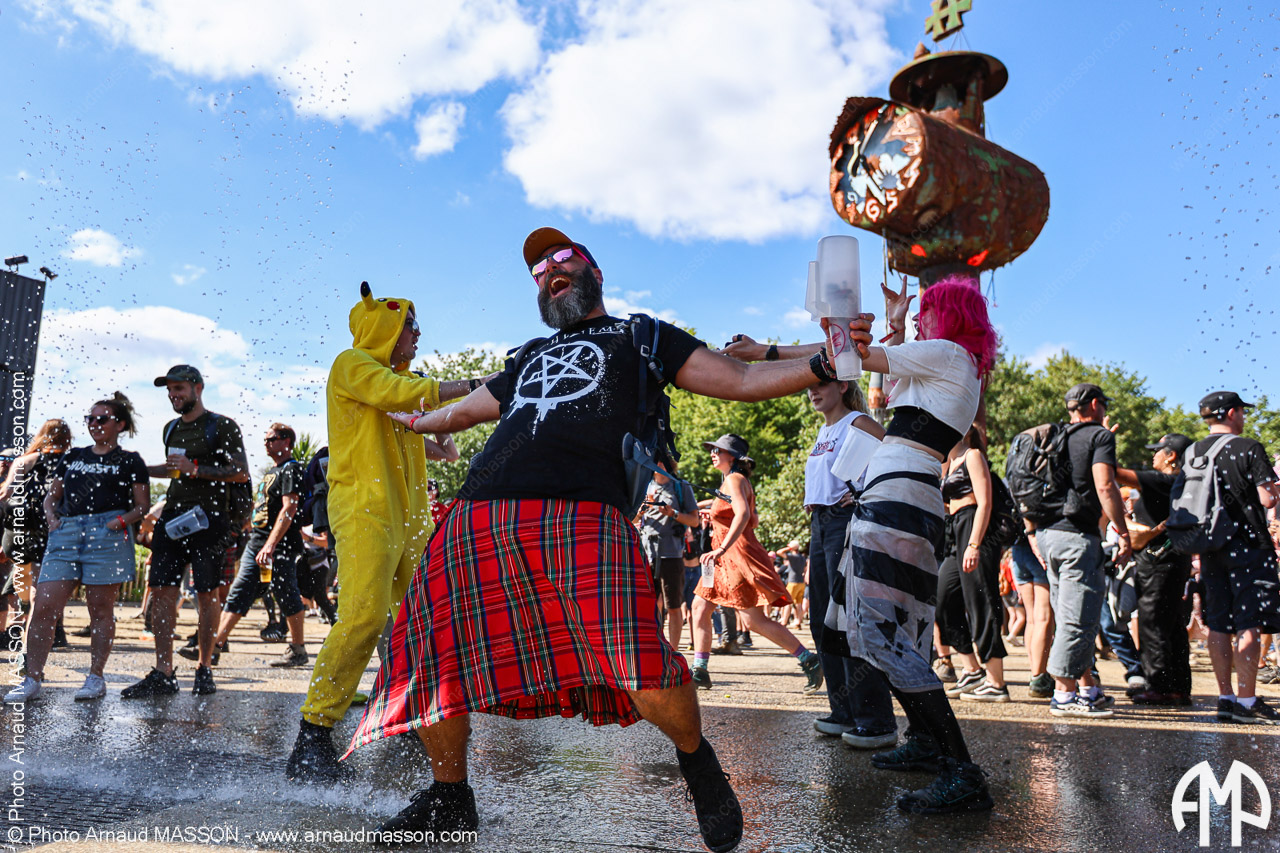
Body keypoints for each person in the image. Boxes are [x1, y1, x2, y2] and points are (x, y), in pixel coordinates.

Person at [344, 226, 874, 853]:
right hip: (478, 512)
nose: (548, 269)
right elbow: (459, 414)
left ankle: (697, 761)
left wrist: (823, 363)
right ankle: (450, 795)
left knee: (638, 659)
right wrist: (408, 416)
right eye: (537, 269)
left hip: (586, 513)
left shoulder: (641, 336)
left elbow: (738, 378)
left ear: (593, 272)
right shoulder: (529, 354)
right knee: (432, 652)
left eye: (561, 258)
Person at [805, 278, 997, 813]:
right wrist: (893, 322)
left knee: (881, 634)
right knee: (867, 628)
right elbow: (886, 384)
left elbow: (853, 361)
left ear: (948, 315)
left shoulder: (950, 354)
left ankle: (961, 770)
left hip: (898, 498)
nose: (920, 319)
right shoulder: (947, 366)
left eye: (926, 311)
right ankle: (926, 742)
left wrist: (834, 317)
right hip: (897, 495)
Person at [285, 282, 474, 783]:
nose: (418, 335)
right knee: (364, 615)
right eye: (411, 326)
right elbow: (398, 393)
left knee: (423, 617)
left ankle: (409, 712)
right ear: (385, 327)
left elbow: (442, 438)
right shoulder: (352, 366)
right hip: (364, 511)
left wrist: (483, 396)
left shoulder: (400, 383)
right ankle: (313, 732)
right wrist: (481, 381)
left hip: (411, 518)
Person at [4, 394, 149, 703]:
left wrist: (119, 522)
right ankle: (32, 679)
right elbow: (52, 496)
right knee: (44, 605)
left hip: (107, 533)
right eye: (90, 419)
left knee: (100, 608)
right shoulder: (73, 456)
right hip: (66, 532)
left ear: (120, 424)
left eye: (102, 419)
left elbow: (142, 506)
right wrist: (51, 517)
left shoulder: (130, 460)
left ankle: (96, 677)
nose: (94, 424)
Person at [122, 365, 248, 699]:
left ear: (197, 388)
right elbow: (173, 470)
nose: (173, 395)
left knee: (207, 594)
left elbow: (240, 472)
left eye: (178, 388)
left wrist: (196, 469)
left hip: (210, 520)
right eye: (169, 390)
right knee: (162, 590)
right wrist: (139, 468)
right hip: (173, 517)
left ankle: (204, 668)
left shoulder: (221, 426)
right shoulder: (171, 428)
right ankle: (164, 672)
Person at [690, 434, 824, 693]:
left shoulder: (735, 479)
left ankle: (809, 659)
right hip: (725, 559)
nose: (713, 454)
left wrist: (721, 547)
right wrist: (716, 518)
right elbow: (752, 518)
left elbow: (743, 515)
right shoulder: (733, 481)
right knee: (700, 607)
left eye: (719, 450)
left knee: (752, 620)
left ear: (733, 457)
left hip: (735, 556)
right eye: (713, 450)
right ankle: (700, 671)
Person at [1030, 383, 1130, 719]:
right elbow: (1105, 485)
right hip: (1077, 537)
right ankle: (1063, 695)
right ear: (1095, 404)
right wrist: (1123, 531)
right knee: (1078, 618)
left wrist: (1032, 532)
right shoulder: (1100, 436)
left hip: (1048, 534)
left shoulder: (1054, 436)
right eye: (1104, 405)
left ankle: (1087, 688)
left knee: (1071, 613)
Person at [1186, 392, 1280, 723]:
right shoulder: (1249, 448)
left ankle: (1225, 698)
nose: (1244, 417)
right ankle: (1247, 700)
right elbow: (1267, 499)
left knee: (1218, 623)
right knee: (1248, 622)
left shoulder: (1194, 451)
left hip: (1211, 547)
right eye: (1241, 411)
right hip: (1249, 545)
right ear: (1231, 413)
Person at [197, 424, 310, 669]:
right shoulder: (272, 471)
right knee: (241, 591)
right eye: (265, 439)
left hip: (278, 546)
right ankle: (214, 646)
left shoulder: (291, 469)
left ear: (286, 441)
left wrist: (271, 545)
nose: (266, 443)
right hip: (257, 543)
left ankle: (298, 649)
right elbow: (262, 508)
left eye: (272, 439)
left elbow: (289, 507)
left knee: (286, 593)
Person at [935, 425, 1009, 702]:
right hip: (954, 530)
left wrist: (975, 544)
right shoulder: (949, 461)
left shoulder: (973, 456)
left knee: (981, 602)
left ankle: (996, 682)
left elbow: (985, 503)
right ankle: (972, 669)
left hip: (974, 528)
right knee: (942, 600)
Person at [0, 419, 72, 636]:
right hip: (53, 532)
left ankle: (26, 628)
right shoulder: (72, 463)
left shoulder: (26, 460)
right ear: (67, 439)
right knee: (41, 590)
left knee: (24, 584)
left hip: (20, 534)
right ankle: (39, 638)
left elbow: (5, 494)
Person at [637, 462, 699, 650]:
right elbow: (631, 519)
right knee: (649, 606)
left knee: (673, 606)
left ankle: (673, 652)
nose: (657, 463)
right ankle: (655, 649)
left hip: (671, 554)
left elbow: (694, 521)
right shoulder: (643, 485)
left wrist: (673, 513)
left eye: (661, 459)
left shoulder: (680, 486)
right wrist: (639, 512)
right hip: (646, 554)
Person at [1008, 530, 1053, 697]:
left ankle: (1035, 672)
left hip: (1018, 550)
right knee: (1043, 617)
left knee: (1032, 619)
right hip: (1038, 548)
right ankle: (1039, 677)